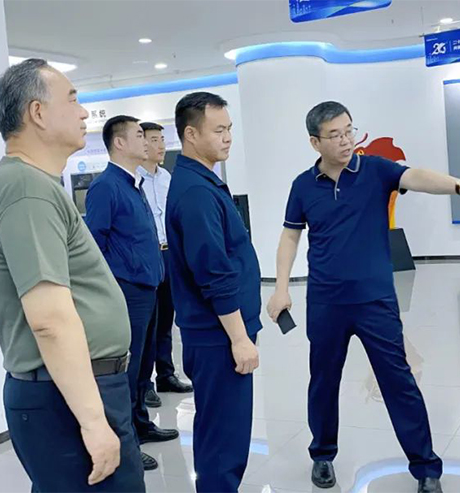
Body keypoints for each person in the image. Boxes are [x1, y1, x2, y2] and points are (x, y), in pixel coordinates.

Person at [266, 101, 460, 493]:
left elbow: (417, 176)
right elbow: (290, 235)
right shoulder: (303, 186)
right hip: (326, 301)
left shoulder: (375, 170)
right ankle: (322, 455)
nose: (346, 140)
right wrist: (280, 289)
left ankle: (425, 467)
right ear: (315, 142)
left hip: (375, 300)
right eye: (334, 135)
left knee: (398, 380)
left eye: (348, 130)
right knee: (323, 381)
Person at [0, 58, 145, 491]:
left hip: (71, 389)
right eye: (72, 99)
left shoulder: (33, 183)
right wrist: (93, 421)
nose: (84, 112)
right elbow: (49, 319)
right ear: (37, 112)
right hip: (65, 397)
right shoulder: (26, 189)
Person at [166, 92, 262, 493]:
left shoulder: (203, 181)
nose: (228, 138)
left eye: (229, 129)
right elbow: (213, 272)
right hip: (218, 336)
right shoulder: (196, 192)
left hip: (216, 332)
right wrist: (239, 338)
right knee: (225, 436)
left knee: (218, 429)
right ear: (191, 134)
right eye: (218, 130)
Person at [85, 115, 179, 472]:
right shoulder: (106, 186)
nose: (147, 141)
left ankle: (141, 424)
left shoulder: (133, 183)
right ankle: (127, 444)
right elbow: (95, 244)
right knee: (127, 369)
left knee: (143, 365)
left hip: (149, 286)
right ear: (120, 143)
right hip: (127, 291)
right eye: (140, 135)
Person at [137, 122, 193, 410]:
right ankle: (144, 383)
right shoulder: (134, 179)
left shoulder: (166, 177)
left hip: (169, 254)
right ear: (142, 143)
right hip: (147, 256)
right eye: (155, 140)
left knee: (167, 319)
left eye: (162, 139)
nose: (161, 145)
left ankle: (166, 374)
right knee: (149, 322)